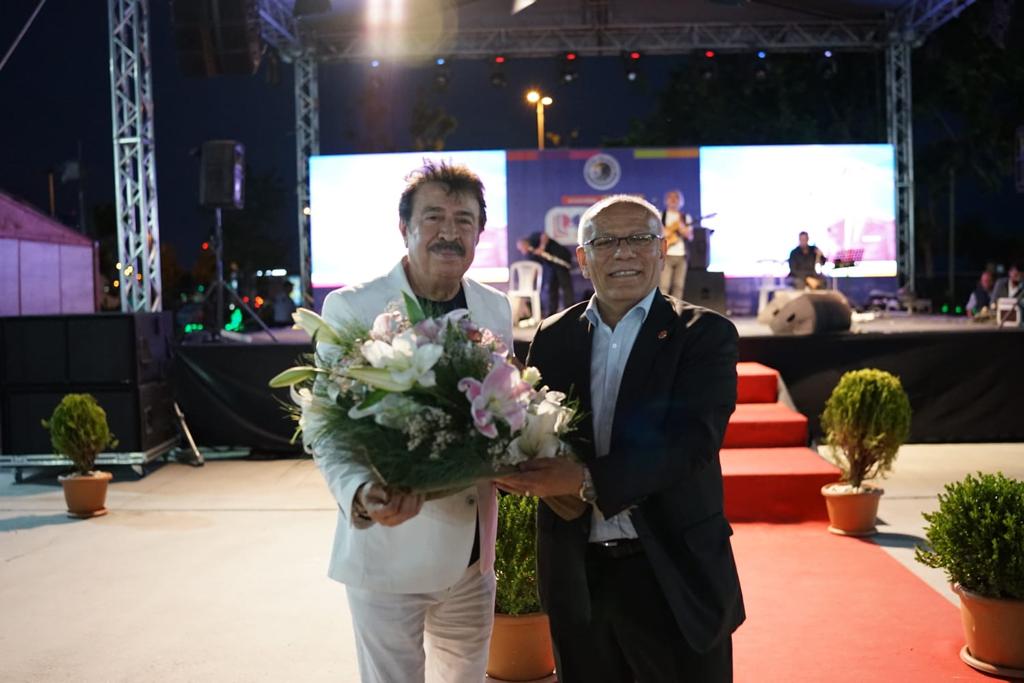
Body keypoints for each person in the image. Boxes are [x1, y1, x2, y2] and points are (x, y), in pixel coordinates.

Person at [496, 195, 745, 682]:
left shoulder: (704, 334)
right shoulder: (553, 336)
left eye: (639, 238)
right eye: (606, 241)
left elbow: (691, 443)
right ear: (582, 258)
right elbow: (536, 430)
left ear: (662, 250)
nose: (624, 252)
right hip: (577, 577)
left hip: (673, 573)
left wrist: (585, 480)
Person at [308, 161, 513, 683]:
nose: (449, 232)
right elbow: (325, 427)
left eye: (464, 220)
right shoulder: (352, 307)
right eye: (434, 216)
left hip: (472, 560)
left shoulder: (495, 308)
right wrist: (360, 493)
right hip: (388, 548)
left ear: (480, 233)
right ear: (405, 227)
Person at [516, 231, 575, 316]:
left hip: (561, 258)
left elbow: (544, 236)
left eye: (521, 248)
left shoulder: (533, 238)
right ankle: (552, 313)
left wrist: (542, 247)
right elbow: (535, 267)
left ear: (524, 243)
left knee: (565, 286)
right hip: (551, 266)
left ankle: (571, 311)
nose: (522, 251)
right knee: (552, 288)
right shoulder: (530, 254)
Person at [659, 189, 693, 298]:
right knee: (664, 286)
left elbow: (690, 236)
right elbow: (656, 233)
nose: (673, 200)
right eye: (671, 197)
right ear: (666, 200)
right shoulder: (661, 215)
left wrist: (683, 230)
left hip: (681, 256)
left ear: (680, 201)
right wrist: (666, 232)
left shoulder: (685, 217)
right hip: (666, 255)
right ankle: (662, 308)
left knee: (678, 286)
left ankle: (676, 308)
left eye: (676, 197)